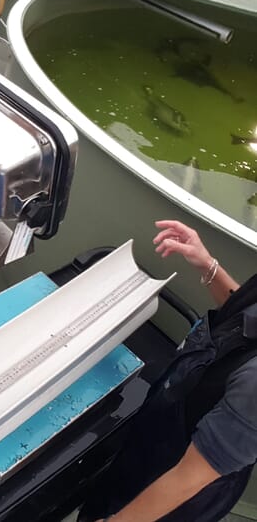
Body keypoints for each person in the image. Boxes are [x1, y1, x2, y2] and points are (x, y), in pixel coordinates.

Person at [78, 219, 257, 522]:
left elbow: (190, 477)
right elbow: (242, 319)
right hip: (151, 447)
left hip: (176, 498)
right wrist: (208, 266)